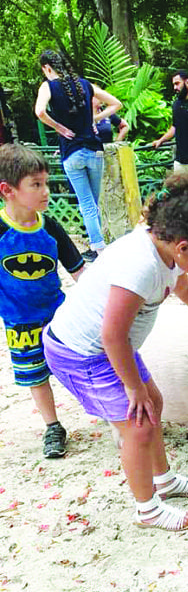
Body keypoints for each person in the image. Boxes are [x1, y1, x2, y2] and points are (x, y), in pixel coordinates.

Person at [42, 174, 188, 531]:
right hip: (83, 354)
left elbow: (183, 287)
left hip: (110, 349)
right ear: (184, 247)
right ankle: (147, 508)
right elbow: (112, 335)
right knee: (138, 424)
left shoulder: (166, 253)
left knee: (154, 403)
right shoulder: (139, 266)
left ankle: (163, 479)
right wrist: (133, 387)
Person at [0, 144, 85, 458]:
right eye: (36, 184)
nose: (45, 191)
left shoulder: (50, 227)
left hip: (57, 317)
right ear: (7, 190)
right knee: (36, 375)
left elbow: (79, 270)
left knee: (79, 365)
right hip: (19, 322)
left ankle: (106, 409)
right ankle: (53, 426)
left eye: (46, 183)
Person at [34, 50, 122, 262]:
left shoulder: (48, 86)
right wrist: (95, 118)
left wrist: (59, 127)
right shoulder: (85, 84)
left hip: (72, 153)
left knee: (86, 204)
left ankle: (99, 248)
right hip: (95, 150)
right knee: (94, 202)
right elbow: (116, 104)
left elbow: (39, 111)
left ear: (47, 68)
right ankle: (99, 244)